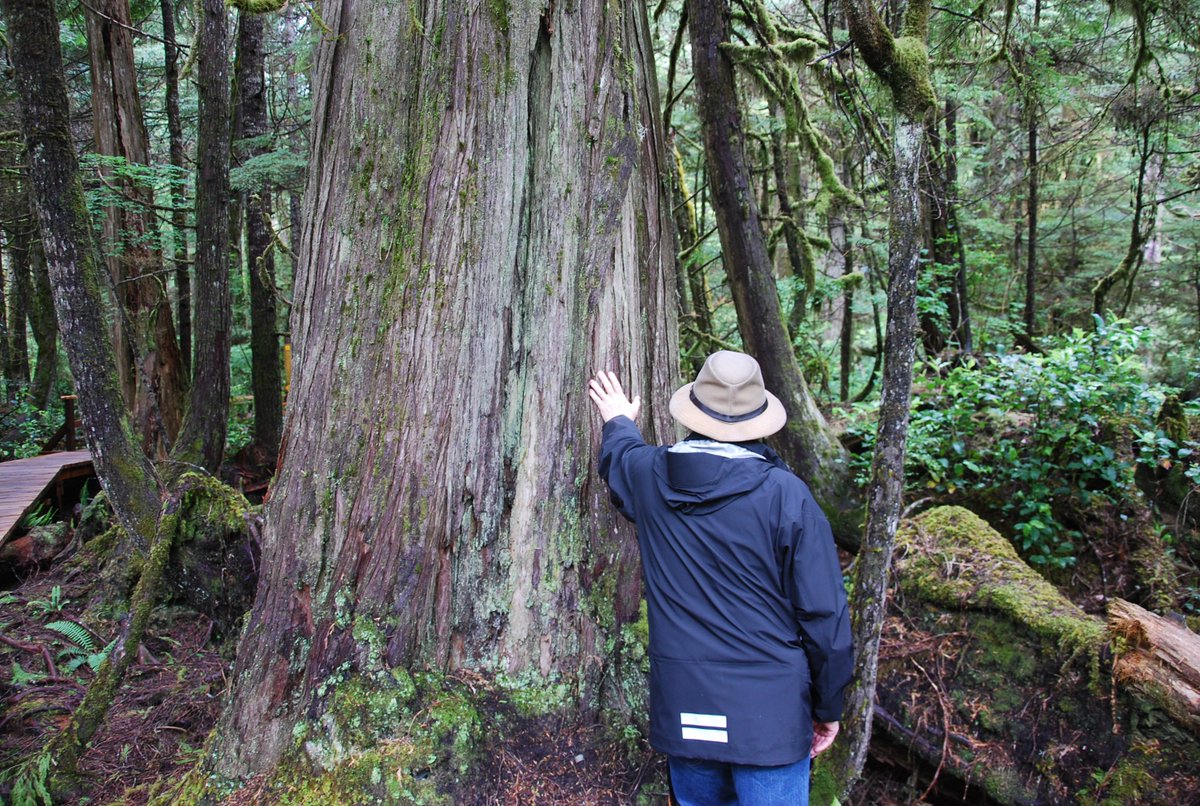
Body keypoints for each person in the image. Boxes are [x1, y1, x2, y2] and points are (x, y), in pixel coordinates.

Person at [588, 350, 853, 806]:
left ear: (693, 409)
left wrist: (617, 420)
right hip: (771, 717)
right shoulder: (785, 495)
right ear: (758, 419)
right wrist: (828, 708)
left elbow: (621, 459)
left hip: (686, 708)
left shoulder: (650, 477)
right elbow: (824, 616)